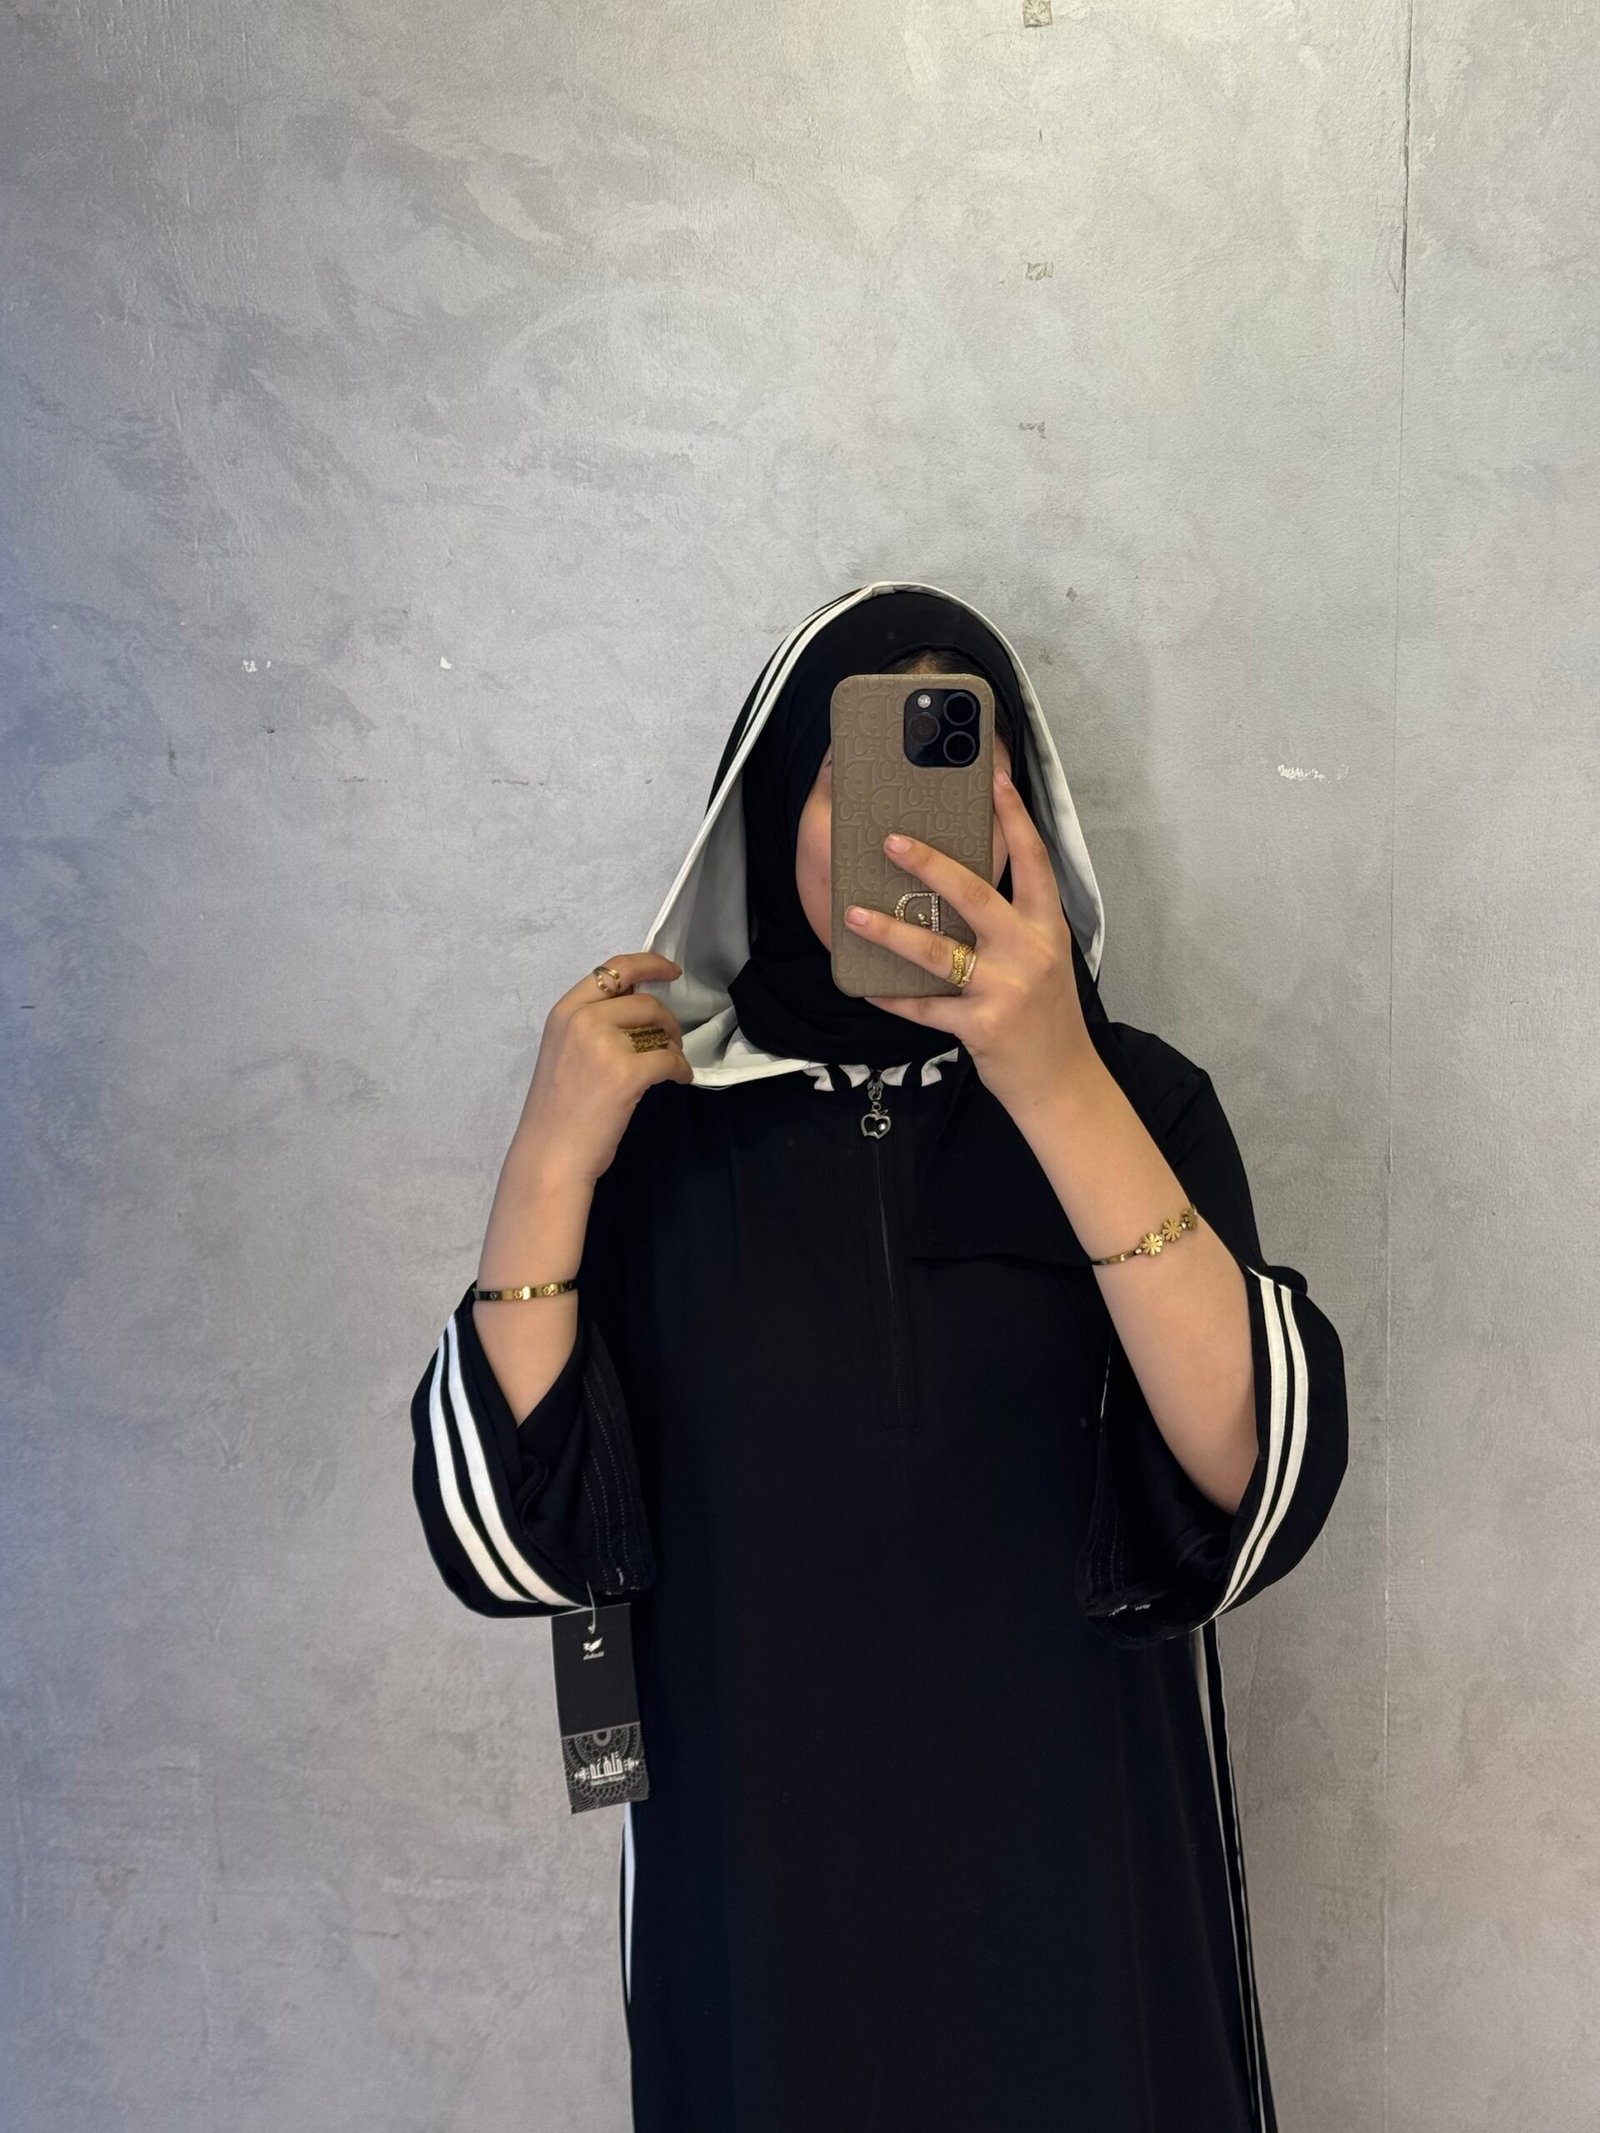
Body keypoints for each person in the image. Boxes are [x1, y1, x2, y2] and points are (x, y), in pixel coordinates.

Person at [408, 580, 1350, 2133]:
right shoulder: (656, 1146)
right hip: (764, 1922)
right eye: (857, 772)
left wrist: (1053, 1080)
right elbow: (518, 1543)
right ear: (773, 800)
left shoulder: (1140, 1105)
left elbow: (1248, 1487)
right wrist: (549, 1161)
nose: (911, 834)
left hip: (1090, 1913)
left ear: (1022, 814)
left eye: (956, 766)